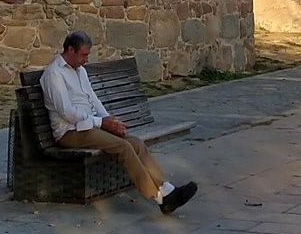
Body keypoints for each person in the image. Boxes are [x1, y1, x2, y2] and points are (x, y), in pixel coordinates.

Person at [41, 32, 196, 213]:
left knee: (136, 143)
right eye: (83, 54)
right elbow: (66, 112)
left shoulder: (80, 71)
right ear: (70, 50)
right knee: (123, 147)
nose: (86, 59)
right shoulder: (54, 74)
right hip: (70, 132)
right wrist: (101, 123)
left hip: (90, 125)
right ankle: (159, 197)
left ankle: (167, 188)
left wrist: (110, 121)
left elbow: (93, 99)